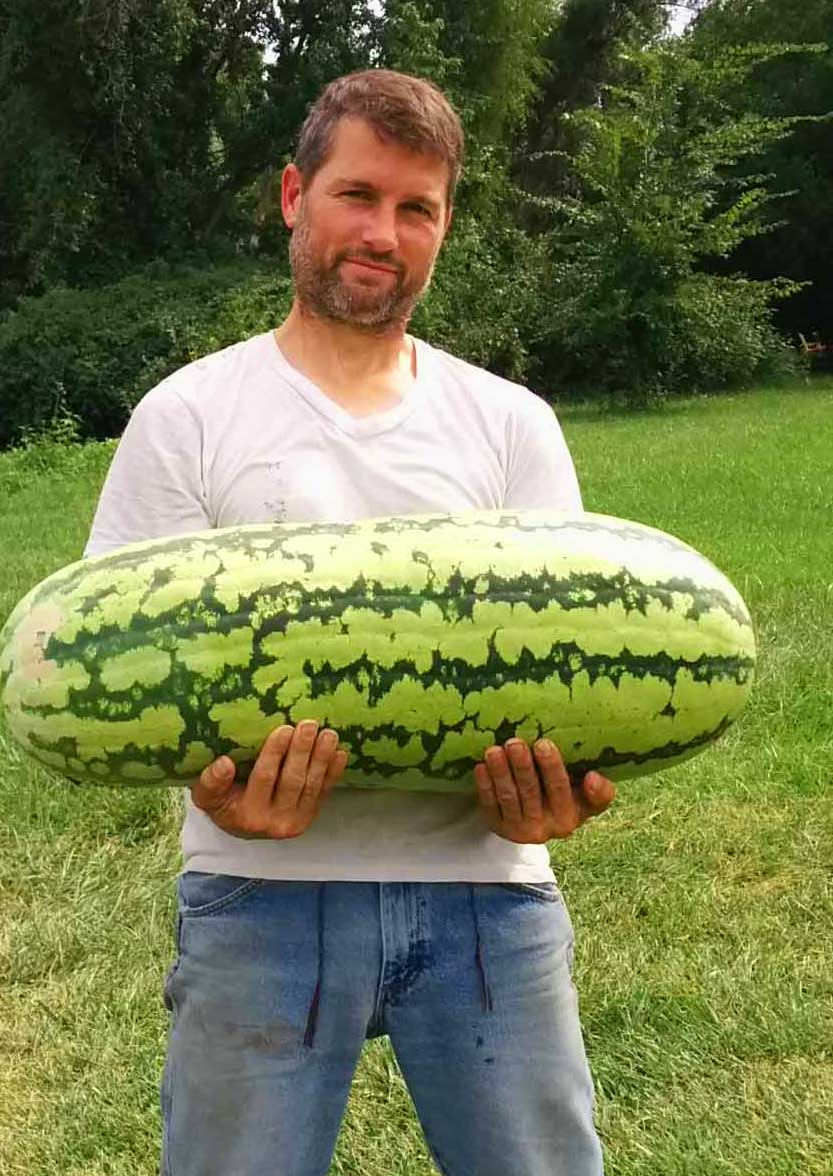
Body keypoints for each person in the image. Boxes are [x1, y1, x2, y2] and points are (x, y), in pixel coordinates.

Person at [84, 69, 615, 1176]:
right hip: (255, 895)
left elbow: (570, 666)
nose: (384, 233)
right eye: (358, 195)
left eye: (416, 208)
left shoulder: (511, 424)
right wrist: (211, 790)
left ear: (444, 227)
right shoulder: (187, 416)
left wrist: (559, 792)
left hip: (490, 899)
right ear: (294, 195)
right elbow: (118, 673)